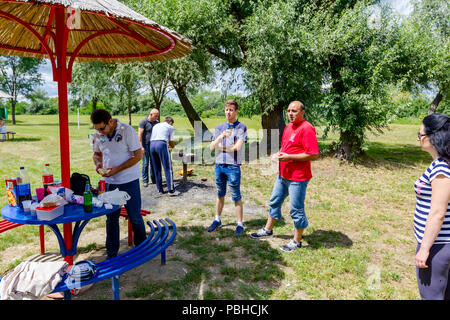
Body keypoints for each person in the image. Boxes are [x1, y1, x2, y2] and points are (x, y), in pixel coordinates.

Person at [250, 100, 319, 252]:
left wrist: (290, 158)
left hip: (298, 177)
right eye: (288, 111)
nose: (290, 114)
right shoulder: (288, 127)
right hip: (283, 175)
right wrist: (279, 154)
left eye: (294, 111)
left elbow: (313, 155)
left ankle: (296, 241)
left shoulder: (307, 128)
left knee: (296, 209)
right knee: (274, 201)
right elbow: (286, 147)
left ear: (302, 112)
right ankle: (268, 230)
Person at [90, 109, 146, 259]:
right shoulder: (98, 134)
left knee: (134, 216)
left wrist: (118, 169)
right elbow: (96, 154)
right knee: (111, 218)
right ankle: (112, 253)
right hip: (110, 182)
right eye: (97, 129)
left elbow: (139, 154)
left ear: (110, 121)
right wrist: (98, 163)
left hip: (129, 181)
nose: (100, 132)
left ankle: (141, 248)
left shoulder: (126, 130)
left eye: (102, 128)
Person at [414, 113, 450, 300]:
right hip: (440, 243)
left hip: (438, 246)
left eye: (419, 135)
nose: (419, 139)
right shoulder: (441, 165)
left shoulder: (442, 169)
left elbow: (437, 213)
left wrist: (425, 248)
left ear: (429, 138)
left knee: (432, 296)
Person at [207, 99, 247, 237]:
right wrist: (220, 137)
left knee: (236, 195)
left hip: (233, 167)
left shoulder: (241, 127)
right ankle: (217, 219)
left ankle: (240, 224)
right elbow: (212, 147)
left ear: (236, 111)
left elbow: (237, 147)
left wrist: (221, 147)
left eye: (231, 110)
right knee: (220, 193)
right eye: (226, 110)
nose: (228, 112)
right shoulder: (219, 127)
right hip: (219, 166)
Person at [150, 116, 179, 196]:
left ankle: (159, 189)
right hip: (161, 144)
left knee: (156, 168)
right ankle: (171, 190)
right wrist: (175, 149)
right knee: (168, 167)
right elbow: (171, 142)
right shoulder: (170, 127)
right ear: (170, 122)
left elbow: (158, 137)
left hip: (152, 145)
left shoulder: (156, 125)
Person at [138, 108, 159, 187]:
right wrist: (141, 147)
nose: (157, 118)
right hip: (145, 145)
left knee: (153, 163)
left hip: (154, 145)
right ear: (150, 114)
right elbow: (139, 134)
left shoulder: (157, 123)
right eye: (156, 116)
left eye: (157, 116)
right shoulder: (143, 122)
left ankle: (154, 179)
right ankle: (145, 180)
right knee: (145, 163)